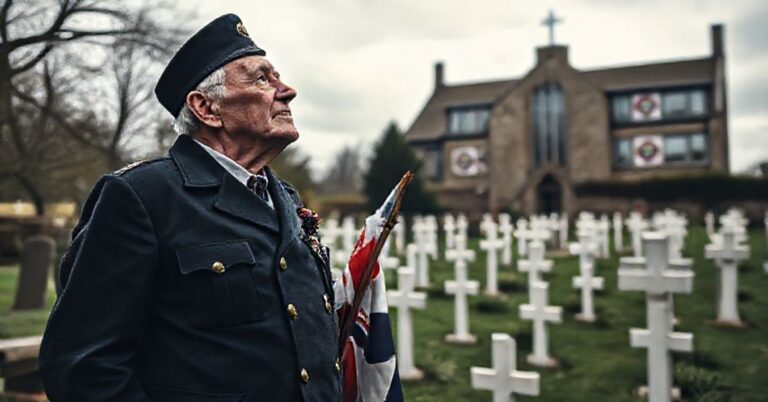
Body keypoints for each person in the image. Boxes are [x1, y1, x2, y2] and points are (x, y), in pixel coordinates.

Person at [39, 14, 341, 402]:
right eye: (262, 79)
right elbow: (82, 367)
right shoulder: (142, 197)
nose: (288, 91)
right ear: (205, 107)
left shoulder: (286, 197)